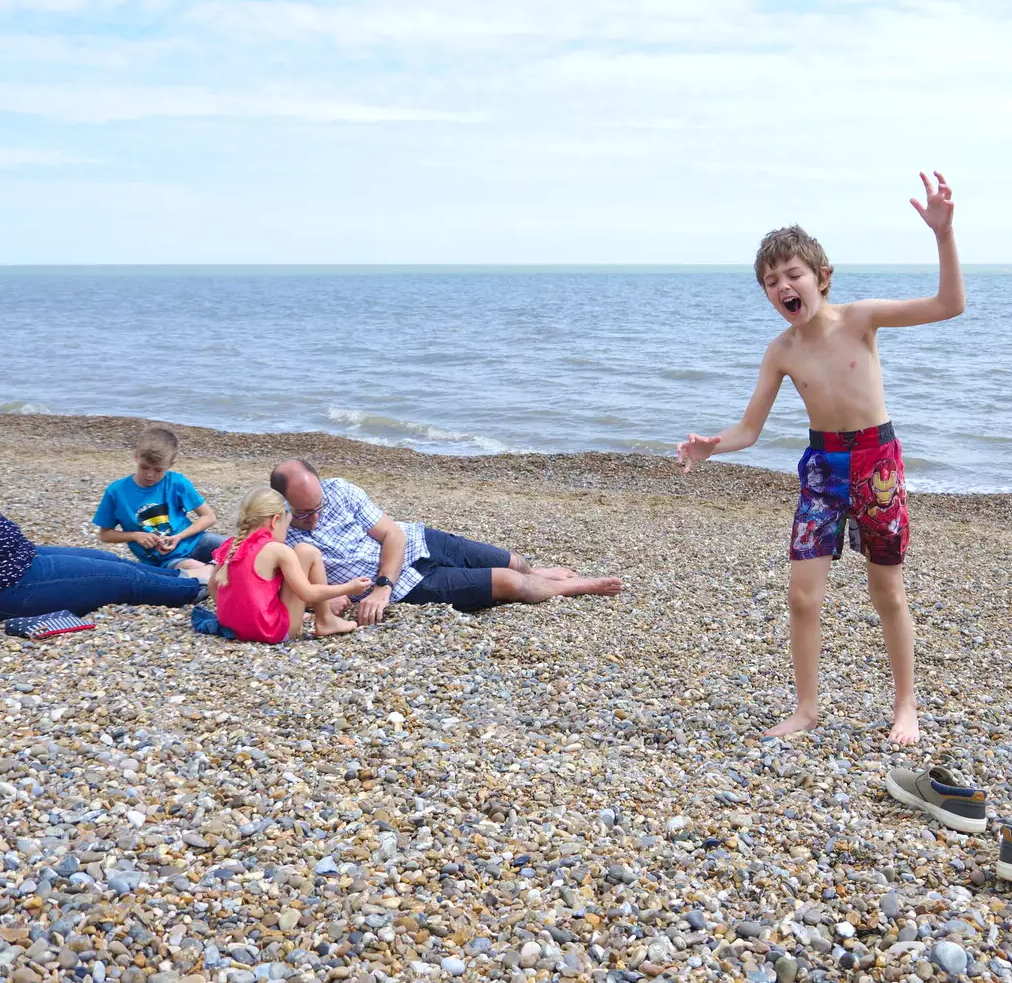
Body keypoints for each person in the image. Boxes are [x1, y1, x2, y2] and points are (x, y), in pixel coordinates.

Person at [676, 171, 966, 745]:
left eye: (792, 274)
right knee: (802, 593)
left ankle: (906, 705)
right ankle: (806, 709)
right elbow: (749, 429)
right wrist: (713, 446)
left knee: (888, 591)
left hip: (876, 464)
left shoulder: (862, 319)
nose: (782, 285)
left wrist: (943, 235)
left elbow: (949, 304)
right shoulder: (780, 352)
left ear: (821, 278)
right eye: (770, 281)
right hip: (822, 469)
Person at [0, 380, 205, 629]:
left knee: (104, 559)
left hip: (7, 568)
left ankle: (179, 572)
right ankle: (200, 584)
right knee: (118, 580)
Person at [269, 459, 624, 620]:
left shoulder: (340, 491)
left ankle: (542, 572)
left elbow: (391, 534)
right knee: (510, 582)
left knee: (514, 561)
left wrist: (382, 585)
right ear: (284, 505)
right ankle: (579, 587)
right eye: (303, 513)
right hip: (411, 583)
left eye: (317, 507)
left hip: (414, 543)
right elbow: (285, 582)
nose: (313, 518)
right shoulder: (280, 530)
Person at [208, 487, 371, 642]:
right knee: (307, 551)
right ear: (275, 520)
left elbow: (213, 588)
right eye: (286, 526)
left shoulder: (230, 546)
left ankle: (317, 618)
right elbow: (308, 593)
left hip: (234, 629)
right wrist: (349, 587)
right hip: (272, 632)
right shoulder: (278, 550)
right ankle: (326, 620)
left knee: (300, 554)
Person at [93, 427, 226, 570]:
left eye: (158, 470)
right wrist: (135, 535)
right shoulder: (116, 492)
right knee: (202, 570)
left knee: (240, 549)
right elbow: (105, 534)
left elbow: (209, 516)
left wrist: (179, 537)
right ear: (136, 456)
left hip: (197, 541)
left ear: (171, 464)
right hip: (165, 561)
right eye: (144, 467)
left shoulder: (177, 482)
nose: (150, 475)